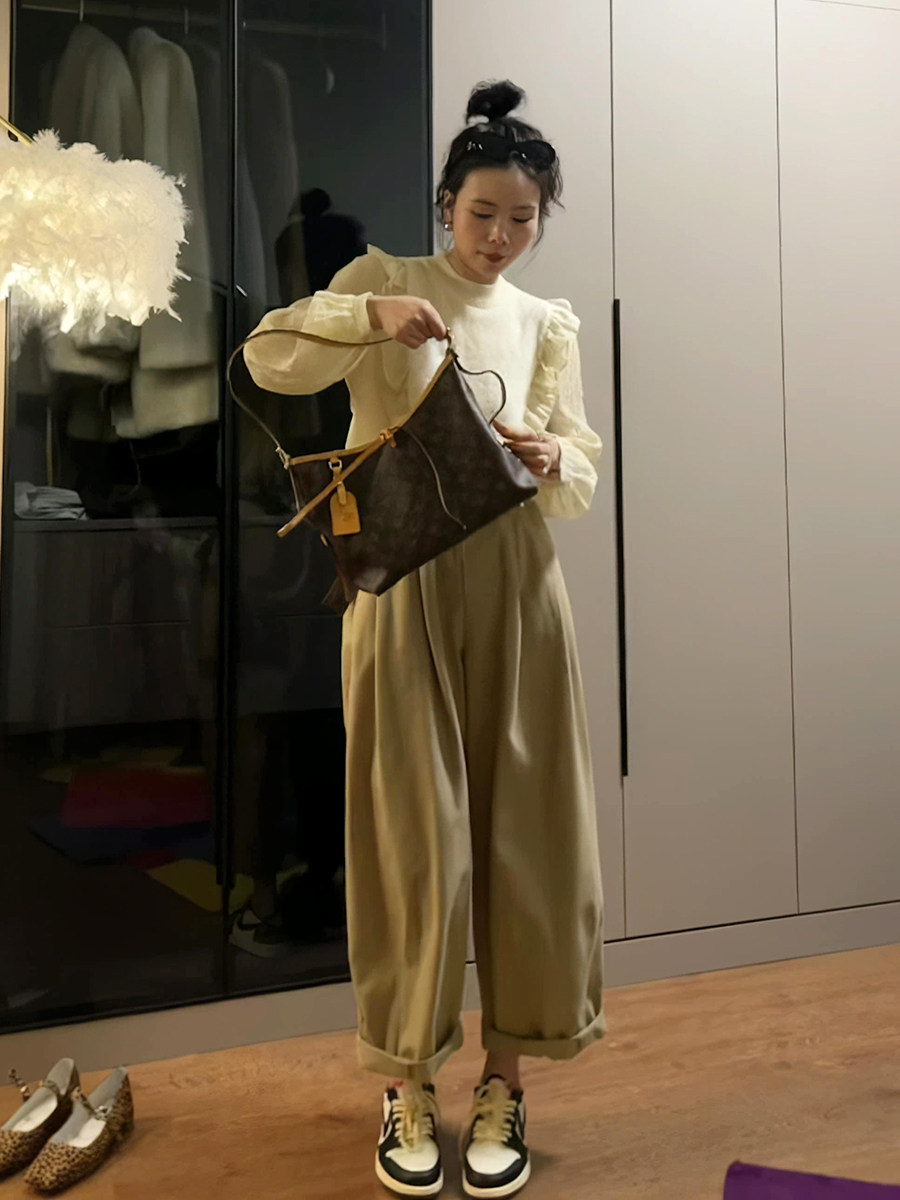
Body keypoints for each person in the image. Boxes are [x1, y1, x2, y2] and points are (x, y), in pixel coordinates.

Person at [244, 78, 606, 1200]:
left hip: (518, 587)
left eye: (521, 219)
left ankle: (506, 1079)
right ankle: (406, 1082)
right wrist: (369, 319)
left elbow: (582, 468)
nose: (499, 237)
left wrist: (552, 454)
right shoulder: (383, 281)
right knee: (413, 835)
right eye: (482, 213)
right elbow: (266, 355)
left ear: (541, 221)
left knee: (531, 832)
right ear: (446, 204)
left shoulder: (547, 323)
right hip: (400, 583)